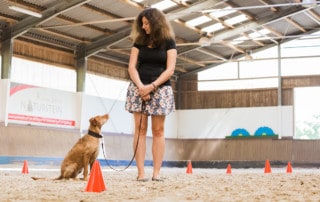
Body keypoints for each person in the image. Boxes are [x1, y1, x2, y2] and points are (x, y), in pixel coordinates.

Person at [125, 8, 177, 182]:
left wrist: (152, 87)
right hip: (138, 88)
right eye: (142, 23)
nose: (143, 26)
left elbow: (170, 69)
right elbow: (132, 66)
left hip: (160, 89)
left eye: (146, 23)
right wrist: (141, 87)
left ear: (156, 23)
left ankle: (156, 173)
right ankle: (141, 173)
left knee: (158, 131)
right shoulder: (139, 41)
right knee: (140, 130)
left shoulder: (169, 41)